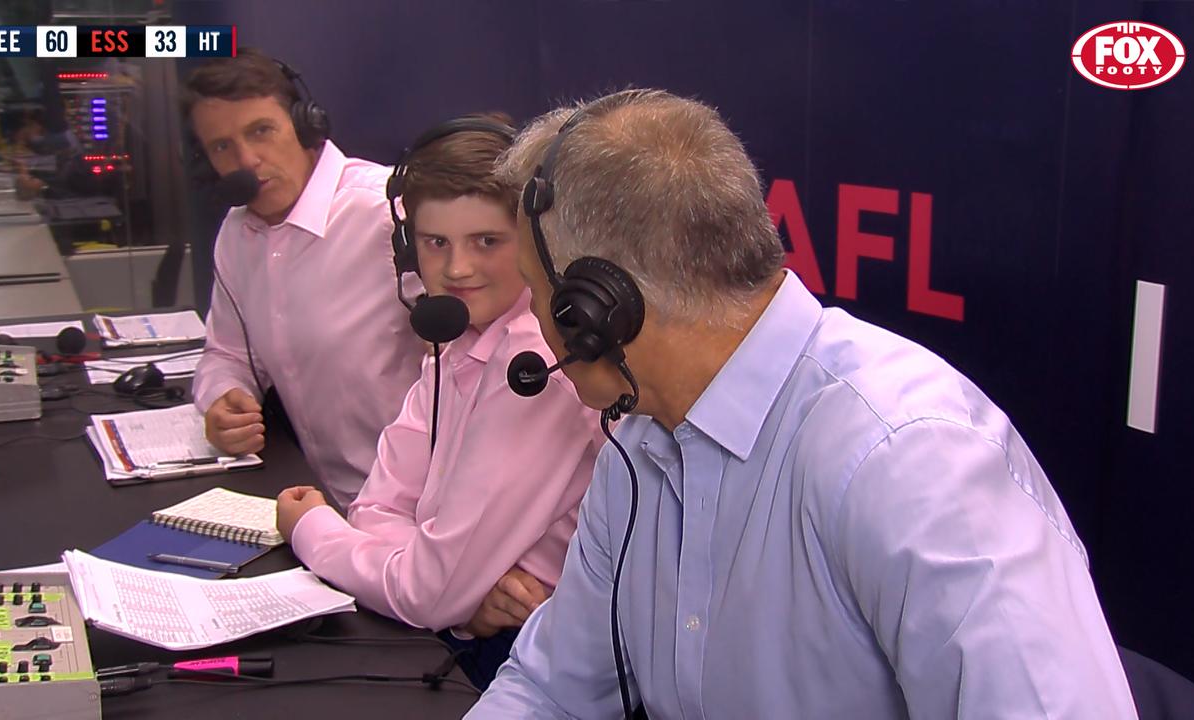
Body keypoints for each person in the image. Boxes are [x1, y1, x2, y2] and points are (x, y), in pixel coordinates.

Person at [468, 90, 1137, 718]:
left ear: (598, 309)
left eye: (538, 288)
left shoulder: (908, 458)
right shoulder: (638, 447)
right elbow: (550, 690)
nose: (534, 312)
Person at [275, 115, 604, 689]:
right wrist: (459, 594)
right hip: (472, 632)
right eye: (436, 243)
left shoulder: (534, 364)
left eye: (486, 242)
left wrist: (309, 529)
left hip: (542, 661)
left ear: (535, 244)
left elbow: (424, 591)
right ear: (408, 249)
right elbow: (376, 509)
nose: (457, 269)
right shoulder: (454, 346)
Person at [184, 49, 423, 509]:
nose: (246, 160)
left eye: (261, 131)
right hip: (318, 501)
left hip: (416, 507)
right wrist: (224, 398)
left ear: (306, 125)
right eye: (221, 147)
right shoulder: (237, 234)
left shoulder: (389, 211)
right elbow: (226, 353)